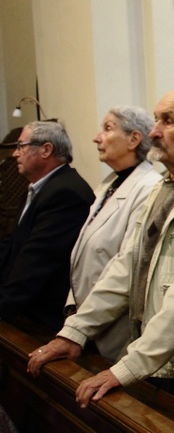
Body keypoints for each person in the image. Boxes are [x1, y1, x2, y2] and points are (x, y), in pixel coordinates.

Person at [27, 88, 174, 431]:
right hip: (157, 361)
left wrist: (128, 366)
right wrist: (75, 332)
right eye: (156, 120)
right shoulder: (164, 187)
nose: (154, 131)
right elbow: (125, 267)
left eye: (168, 121)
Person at [66, 107, 161, 360]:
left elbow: (128, 264)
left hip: (117, 329)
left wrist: (81, 323)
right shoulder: (108, 183)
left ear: (134, 139)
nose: (97, 138)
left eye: (108, 129)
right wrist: (72, 306)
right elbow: (84, 251)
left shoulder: (149, 187)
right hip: (85, 315)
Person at [0, 122, 94, 331]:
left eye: (21, 146)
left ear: (46, 149)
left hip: (45, 319)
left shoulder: (65, 192)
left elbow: (37, 261)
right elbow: (13, 244)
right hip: (26, 309)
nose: (15, 154)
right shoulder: (39, 188)